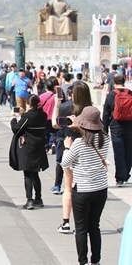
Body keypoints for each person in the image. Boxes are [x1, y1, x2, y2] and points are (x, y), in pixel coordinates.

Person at [61, 106, 110, 265]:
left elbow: (65, 163)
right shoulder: (105, 139)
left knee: (81, 229)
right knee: (94, 226)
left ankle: (83, 261)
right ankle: (96, 260)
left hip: (82, 189)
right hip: (101, 188)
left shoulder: (79, 144)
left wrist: (67, 147)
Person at [53, 82, 91, 234]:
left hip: (68, 145)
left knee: (68, 188)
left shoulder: (65, 107)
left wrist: (57, 105)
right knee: (84, 188)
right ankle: (83, 224)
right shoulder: (91, 110)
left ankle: (66, 222)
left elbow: (55, 124)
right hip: (86, 149)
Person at [9, 94, 48, 210]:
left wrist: (14, 118)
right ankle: (38, 198)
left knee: (28, 175)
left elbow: (16, 129)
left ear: (29, 104)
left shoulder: (27, 117)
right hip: (39, 147)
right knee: (35, 173)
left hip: (28, 148)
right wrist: (23, 115)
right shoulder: (43, 115)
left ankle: (29, 200)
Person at [103, 72, 132, 187]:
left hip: (116, 127)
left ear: (114, 83)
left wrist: (104, 129)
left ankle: (120, 177)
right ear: (124, 82)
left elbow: (106, 113)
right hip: (130, 126)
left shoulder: (111, 95)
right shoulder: (130, 93)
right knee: (129, 151)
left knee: (118, 152)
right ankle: (126, 173)